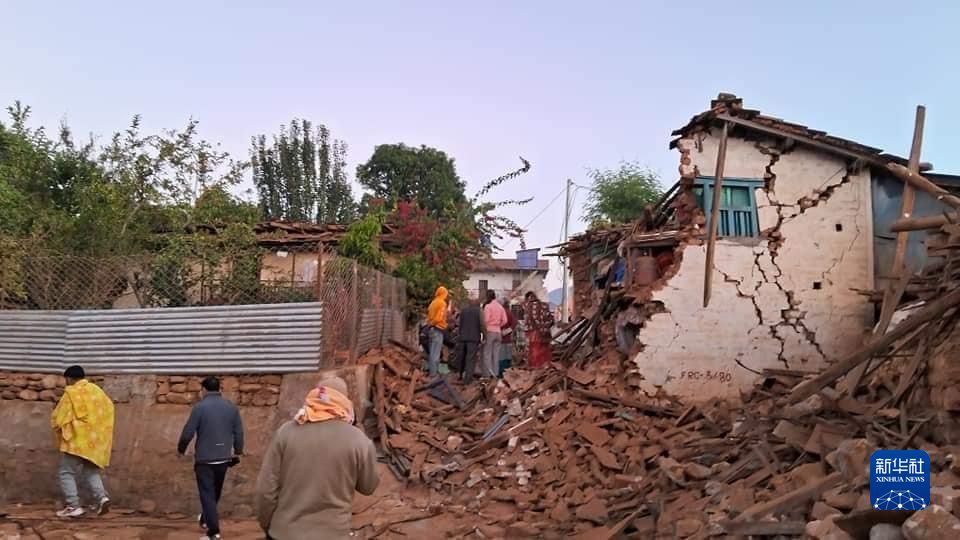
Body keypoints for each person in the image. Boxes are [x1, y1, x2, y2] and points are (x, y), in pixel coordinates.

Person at [256, 377, 379, 540]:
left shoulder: (286, 432)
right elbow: (368, 487)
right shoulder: (359, 440)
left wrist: (268, 525)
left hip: (285, 532)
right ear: (344, 402)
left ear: (314, 397)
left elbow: (265, 490)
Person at [177, 377, 245, 540]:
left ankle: (213, 532)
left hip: (205, 460)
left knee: (207, 494)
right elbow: (239, 432)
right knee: (214, 493)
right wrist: (238, 451)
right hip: (223, 459)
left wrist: (181, 449)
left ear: (204, 390)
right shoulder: (231, 408)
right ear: (219, 389)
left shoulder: (199, 407)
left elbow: (188, 433)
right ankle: (205, 519)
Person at [51, 365, 115, 518]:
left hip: (77, 441)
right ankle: (102, 498)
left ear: (69, 379)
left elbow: (59, 417)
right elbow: (109, 409)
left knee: (66, 472)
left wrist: (58, 426)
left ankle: (73, 506)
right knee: (90, 471)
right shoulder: (97, 391)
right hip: (96, 441)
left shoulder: (71, 392)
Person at [454, 296, 484, 384]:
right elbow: (482, 324)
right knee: (470, 358)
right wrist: (485, 335)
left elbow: (460, 324)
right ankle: (468, 379)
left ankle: (460, 375)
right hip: (474, 338)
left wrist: (460, 334)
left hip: (463, 337)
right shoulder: (479, 311)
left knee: (462, 357)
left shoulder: (463, 310)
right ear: (478, 304)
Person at [523, 292, 555, 368]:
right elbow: (551, 320)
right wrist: (545, 328)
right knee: (545, 350)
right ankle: (545, 367)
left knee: (534, 350)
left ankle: (536, 367)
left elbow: (530, 320)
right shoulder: (545, 305)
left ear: (528, 298)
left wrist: (539, 328)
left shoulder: (529, 306)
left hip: (534, 332)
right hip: (546, 333)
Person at [481, 290, 508, 378]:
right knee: (496, 354)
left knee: (487, 353)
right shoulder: (500, 307)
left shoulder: (488, 306)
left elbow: (486, 320)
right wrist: (499, 325)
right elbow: (505, 320)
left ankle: (488, 374)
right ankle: (495, 374)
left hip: (490, 331)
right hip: (498, 332)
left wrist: (485, 328)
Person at [425, 286, 449, 377]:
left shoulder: (433, 302)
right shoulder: (442, 303)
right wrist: (434, 324)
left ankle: (432, 372)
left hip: (431, 330)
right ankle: (433, 374)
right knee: (436, 353)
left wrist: (429, 324)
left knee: (432, 352)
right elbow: (439, 318)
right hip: (437, 329)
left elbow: (428, 316)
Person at [498, 299, 517, 376]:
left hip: (500, 339)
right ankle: (507, 372)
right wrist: (508, 330)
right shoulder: (509, 313)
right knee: (508, 356)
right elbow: (514, 323)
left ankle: (501, 373)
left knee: (501, 357)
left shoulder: (500, 312)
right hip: (508, 338)